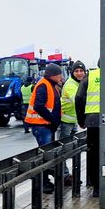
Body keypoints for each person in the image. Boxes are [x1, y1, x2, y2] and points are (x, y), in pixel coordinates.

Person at [74, 61, 105, 197]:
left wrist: (81, 119)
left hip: (93, 121)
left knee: (94, 154)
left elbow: (78, 98)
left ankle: (96, 187)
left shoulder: (90, 76)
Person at [24, 63, 64, 193]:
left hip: (46, 126)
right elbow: (39, 106)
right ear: (52, 75)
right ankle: (44, 183)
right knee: (45, 155)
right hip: (41, 125)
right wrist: (52, 118)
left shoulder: (50, 85)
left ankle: (47, 180)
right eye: (59, 75)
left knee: (47, 154)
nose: (61, 77)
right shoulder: (43, 85)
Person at [60, 61, 85, 140]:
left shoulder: (78, 83)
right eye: (76, 71)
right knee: (65, 145)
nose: (79, 73)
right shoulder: (70, 84)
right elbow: (77, 101)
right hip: (66, 120)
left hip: (73, 119)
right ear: (72, 72)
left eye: (81, 71)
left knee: (72, 144)